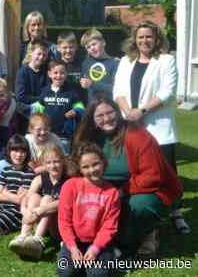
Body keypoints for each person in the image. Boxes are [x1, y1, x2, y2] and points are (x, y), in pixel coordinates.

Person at [73, 95, 183, 257]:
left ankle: (148, 232)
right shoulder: (90, 137)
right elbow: (77, 167)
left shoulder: (136, 134)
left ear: (117, 112)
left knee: (138, 205)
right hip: (107, 188)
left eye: (110, 113)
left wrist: (121, 192)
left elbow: (152, 176)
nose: (107, 119)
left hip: (148, 189)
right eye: (100, 116)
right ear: (92, 119)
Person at [112, 21, 189, 235]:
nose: (144, 40)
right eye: (140, 37)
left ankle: (175, 212)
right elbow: (118, 89)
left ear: (156, 39)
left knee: (167, 172)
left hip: (158, 128)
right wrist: (128, 111)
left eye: (149, 37)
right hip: (131, 127)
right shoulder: (126, 61)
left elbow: (167, 92)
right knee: (137, 171)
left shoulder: (166, 60)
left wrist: (141, 111)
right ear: (134, 39)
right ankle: (145, 211)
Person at [57, 142, 120, 276]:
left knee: (98, 274)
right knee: (65, 271)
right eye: (85, 167)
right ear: (79, 169)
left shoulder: (112, 192)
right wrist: (72, 248)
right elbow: (64, 221)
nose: (92, 170)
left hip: (99, 243)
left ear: (103, 162)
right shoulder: (70, 186)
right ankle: (70, 253)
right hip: (74, 241)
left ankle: (110, 253)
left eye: (96, 164)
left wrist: (95, 249)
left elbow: (109, 226)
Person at [10, 143, 68, 260]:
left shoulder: (68, 180)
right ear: (44, 165)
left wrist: (39, 211)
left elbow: (63, 202)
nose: (53, 166)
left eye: (56, 161)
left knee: (47, 198)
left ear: (63, 161)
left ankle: (37, 241)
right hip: (38, 221)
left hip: (57, 226)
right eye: (48, 163)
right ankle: (23, 236)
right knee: (34, 197)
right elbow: (26, 198)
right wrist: (25, 211)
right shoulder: (40, 178)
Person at [31, 59, 85, 154]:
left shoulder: (71, 91)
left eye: (62, 73)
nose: (58, 76)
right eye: (55, 73)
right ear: (49, 74)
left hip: (64, 136)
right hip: (46, 134)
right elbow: (38, 111)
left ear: (66, 74)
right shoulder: (45, 91)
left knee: (64, 158)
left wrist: (76, 111)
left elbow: (81, 108)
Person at [15, 40, 49, 133]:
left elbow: (48, 92)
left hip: (42, 112)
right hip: (25, 113)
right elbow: (21, 96)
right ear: (31, 53)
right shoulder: (23, 72)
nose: (41, 57)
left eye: (44, 55)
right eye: (39, 54)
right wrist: (40, 100)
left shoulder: (46, 72)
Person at [79, 28, 118, 102]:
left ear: (103, 42)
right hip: (91, 107)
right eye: (88, 47)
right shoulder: (86, 63)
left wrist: (92, 84)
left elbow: (115, 89)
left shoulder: (114, 63)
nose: (92, 48)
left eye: (94, 44)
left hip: (108, 106)